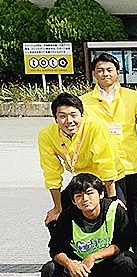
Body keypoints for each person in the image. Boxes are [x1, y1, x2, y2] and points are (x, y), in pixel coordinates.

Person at [80, 53, 137, 252]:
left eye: (109, 69)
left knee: (132, 212)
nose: (105, 74)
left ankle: (134, 253)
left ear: (118, 72)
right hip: (100, 167)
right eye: (100, 70)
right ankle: (113, 252)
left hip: (129, 165)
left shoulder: (133, 97)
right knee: (109, 211)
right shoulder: (84, 102)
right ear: (93, 74)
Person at [41, 174, 137, 277]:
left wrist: (93, 257)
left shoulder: (114, 210)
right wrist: (70, 264)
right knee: (50, 270)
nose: (85, 199)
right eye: (78, 196)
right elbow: (56, 249)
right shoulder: (67, 217)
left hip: (111, 267)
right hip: (81, 271)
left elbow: (122, 244)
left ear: (101, 194)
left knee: (128, 261)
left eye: (89, 193)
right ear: (73, 201)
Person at [38, 92, 118, 227]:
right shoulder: (46, 135)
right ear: (55, 119)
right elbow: (51, 173)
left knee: (116, 216)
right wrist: (57, 207)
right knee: (56, 221)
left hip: (105, 179)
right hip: (79, 179)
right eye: (62, 116)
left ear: (82, 115)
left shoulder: (95, 127)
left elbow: (106, 164)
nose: (69, 121)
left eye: (73, 115)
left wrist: (112, 199)